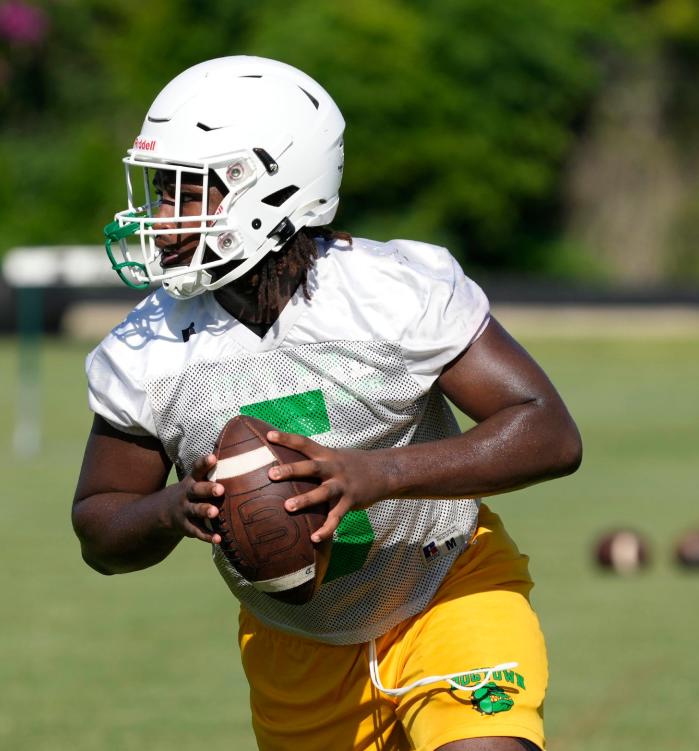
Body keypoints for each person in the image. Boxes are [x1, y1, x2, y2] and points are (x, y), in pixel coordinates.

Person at [72, 55, 582, 751]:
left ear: (271, 188)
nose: (162, 216)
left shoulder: (389, 292)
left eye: (187, 191)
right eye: (161, 190)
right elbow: (98, 526)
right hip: (297, 644)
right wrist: (169, 508)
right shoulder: (149, 349)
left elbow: (549, 431)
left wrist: (376, 474)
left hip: (447, 585)